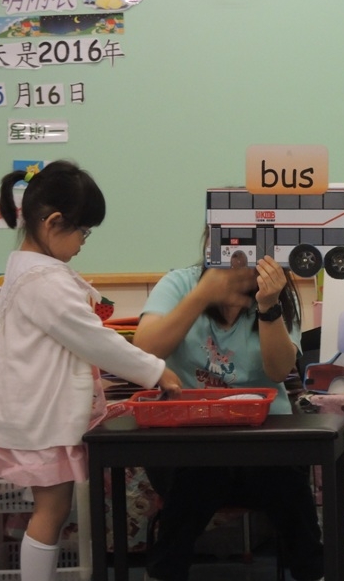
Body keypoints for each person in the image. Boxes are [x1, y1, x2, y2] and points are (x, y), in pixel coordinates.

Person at [0, 160, 183, 581]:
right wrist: (156, 370)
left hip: (38, 414)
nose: (83, 243)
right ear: (53, 222)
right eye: (83, 232)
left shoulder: (31, 271)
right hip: (43, 419)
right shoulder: (44, 281)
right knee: (50, 512)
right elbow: (94, 339)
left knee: (51, 511)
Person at [132, 233, 324, 581]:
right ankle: (163, 572)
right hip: (189, 440)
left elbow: (279, 371)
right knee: (201, 474)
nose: (241, 257)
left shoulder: (276, 291)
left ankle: (312, 573)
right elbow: (144, 350)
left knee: (286, 483)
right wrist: (202, 295)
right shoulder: (180, 283)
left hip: (263, 440)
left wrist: (268, 306)